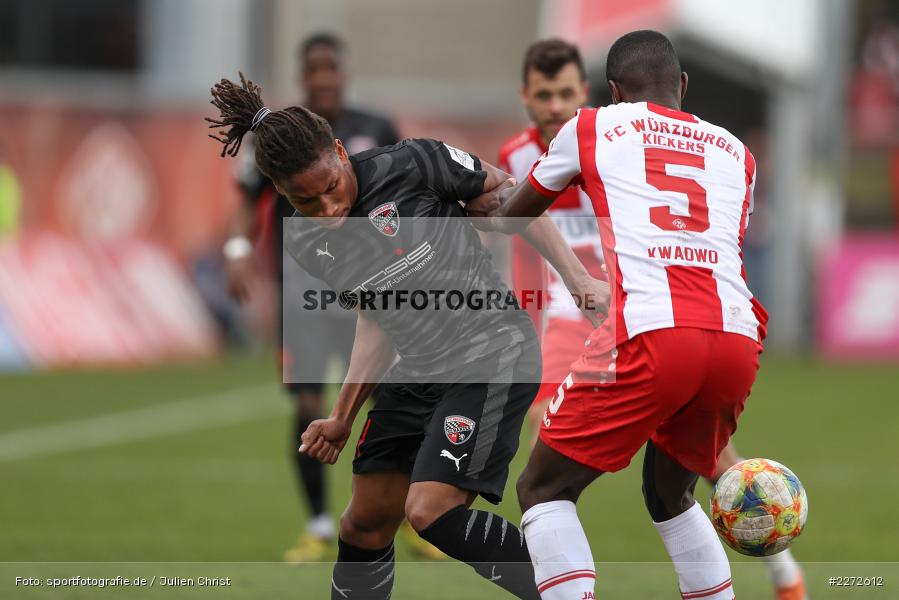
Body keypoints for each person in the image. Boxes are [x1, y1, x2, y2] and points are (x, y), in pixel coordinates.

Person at [206, 73, 608, 599]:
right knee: (364, 523)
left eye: (330, 188)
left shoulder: (414, 162)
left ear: (339, 152)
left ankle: (565, 590)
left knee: (429, 511)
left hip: (492, 353)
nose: (326, 211)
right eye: (305, 202)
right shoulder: (307, 241)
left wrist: (577, 279)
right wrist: (342, 417)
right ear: (281, 194)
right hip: (417, 369)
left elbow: (512, 199)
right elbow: (377, 319)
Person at [497, 38, 806, 599]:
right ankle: (778, 578)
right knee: (671, 496)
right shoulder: (738, 152)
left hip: (652, 331)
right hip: (736, 338)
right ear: (683, 85)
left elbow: (514, 214)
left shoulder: (592, 126)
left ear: (612, 92)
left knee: (543, 488)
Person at [223, 32, 400, 562]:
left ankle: (400, 514)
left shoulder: (376, 128)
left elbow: (403, 194)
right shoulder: (273, 137)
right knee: (306, 402)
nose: (323, 78)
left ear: (343, 72)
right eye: (313, 70)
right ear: (304, 77)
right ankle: (320, 526)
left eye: (331, 69)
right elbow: (244, 199)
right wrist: (237, 249)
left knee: (388, 396)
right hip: (303, 290)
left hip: (369, 284)